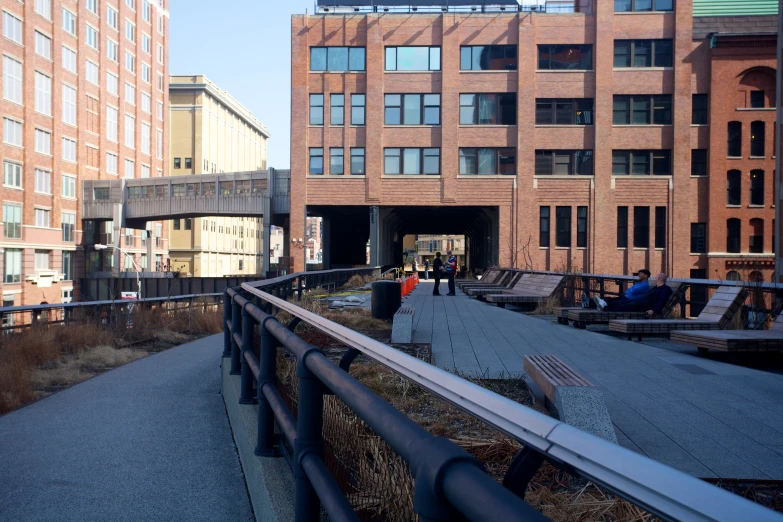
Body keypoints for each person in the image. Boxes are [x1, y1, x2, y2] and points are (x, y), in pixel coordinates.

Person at [597, 273, 672, 315]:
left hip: (645, 306)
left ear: (658, 278)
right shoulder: (656, 288)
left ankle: (605, 307)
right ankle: (604, 304)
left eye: (656, 277)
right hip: (640, 301)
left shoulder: (664, 289)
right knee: (623, 302)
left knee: (625, 306)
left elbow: (661, 301)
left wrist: (653, 310)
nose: (655, 279)